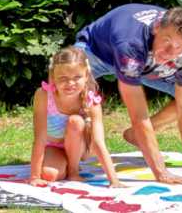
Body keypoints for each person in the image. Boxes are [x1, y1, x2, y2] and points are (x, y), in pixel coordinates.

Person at [74, 4, 182, 185]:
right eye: (167, 41)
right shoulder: (131, 43)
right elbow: (138, 115)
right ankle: (59, 151)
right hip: (98, 52)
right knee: (66, 93)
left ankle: (135, 136)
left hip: (148, 59)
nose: (171, 52)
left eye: (180, 47)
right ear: (157, 27)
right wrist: (161, 173)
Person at [28, 47, 125, 188]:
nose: (70, 83)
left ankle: (73, 170)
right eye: (63, 78)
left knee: (76, 121)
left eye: (77, 77)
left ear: (86, 75)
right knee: (50, 175)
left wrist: (114, 180)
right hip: (55, 147)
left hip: (83, 149)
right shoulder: (43, 95)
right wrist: (35, 177)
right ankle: (64, 164)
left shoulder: (91, 102)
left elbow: (98, 142)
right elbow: (40, 138)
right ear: (53, 76)